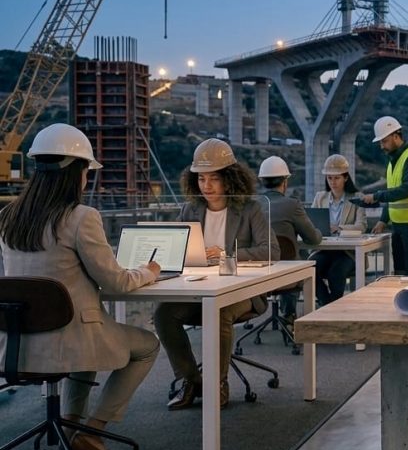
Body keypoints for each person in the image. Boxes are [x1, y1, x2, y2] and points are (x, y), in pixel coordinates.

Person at [0, 123, 161, 450]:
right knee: (147, 346)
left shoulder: (8, 217)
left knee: (85, 339)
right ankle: (91, 431)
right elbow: (116, 282)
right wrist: (148, 272)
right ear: (76, 172)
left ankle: (72, 430)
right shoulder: (80, 217)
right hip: (69, 341)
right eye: (86, 170)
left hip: (18, 346)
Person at [155, 138, 278, 410]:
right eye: (200, 179)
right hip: (198, 289)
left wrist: (224, 254)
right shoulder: (190, 209)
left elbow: (270, 250)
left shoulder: (250, 209)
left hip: (241, 290)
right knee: (163, 313)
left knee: (220, 311)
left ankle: (218, 383)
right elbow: (177, 248)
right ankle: (191, 380)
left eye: (213, 179)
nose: (206, 186)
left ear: (229, 179)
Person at [358, 116, 408, 276]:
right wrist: (383, 220)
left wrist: (377, 196)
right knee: (400, 271)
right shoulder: (393, 161)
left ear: (396, 136)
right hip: (399, 223)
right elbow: (393, 194)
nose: (381, 146)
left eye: (384, 141)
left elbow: (407, 189)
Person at [257, 155, 322, 324]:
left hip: (256, 274)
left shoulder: (253, 205)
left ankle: (287, 314)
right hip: (287, 276)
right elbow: (313, 238)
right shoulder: (292, 205)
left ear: (262, 181)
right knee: (293, 260)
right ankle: (290, 314)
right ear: (285, 181)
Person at [312, 154, 366, 304]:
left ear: (346, 178)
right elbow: (312, 222)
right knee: (310, 268)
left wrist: (339, 228)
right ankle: (327, 305)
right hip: (325, 250)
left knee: (336, 272)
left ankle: (331, 308)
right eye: (329, 178)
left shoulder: (357, 197)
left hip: (348, 252)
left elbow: (361, 226)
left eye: (336, 178)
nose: (333, 182)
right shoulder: (320, 197)